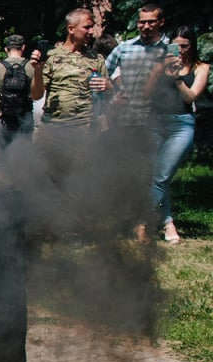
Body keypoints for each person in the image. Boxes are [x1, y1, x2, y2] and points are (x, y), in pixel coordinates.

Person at [104, 3, 171, 241]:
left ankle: (147, 224)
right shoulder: (125, 48)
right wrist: (115, 92)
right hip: (127, 121)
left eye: (150, 21)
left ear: (160, 22)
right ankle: (127, 221)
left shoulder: (169, 50)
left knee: (153, 174)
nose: (145, 26)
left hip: (158, 122)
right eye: (142, 21)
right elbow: (104, 72)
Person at [151, 25, 209, 244]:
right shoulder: (159, 65)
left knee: (162, 175)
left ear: (192, 46)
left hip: (181, 124)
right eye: (175, 46)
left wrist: (176, 79)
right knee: (156, 176)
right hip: (156, 122)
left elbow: (191, 97)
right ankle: (168, 224)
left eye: (184, 46)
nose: (180, 51)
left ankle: (141, 222)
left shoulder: (201, 67)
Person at [33, 8, 109, 172]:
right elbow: (36, 94)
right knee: (47, 179)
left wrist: (108, 86)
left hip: (84, 131)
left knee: (78, 181)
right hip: (53, 130)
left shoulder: (97, 59)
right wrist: (38, 71)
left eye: (92, 27)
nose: (92, 31)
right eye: (87, 27)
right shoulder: (52, 57)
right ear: (71, 29)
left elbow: (109, 95)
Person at [0, 34, 43, 169]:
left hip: (1, 118)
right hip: (24, 120)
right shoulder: (31, 67)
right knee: (22, 164)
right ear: (23, 48)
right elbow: (37, 94)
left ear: (6, 49)